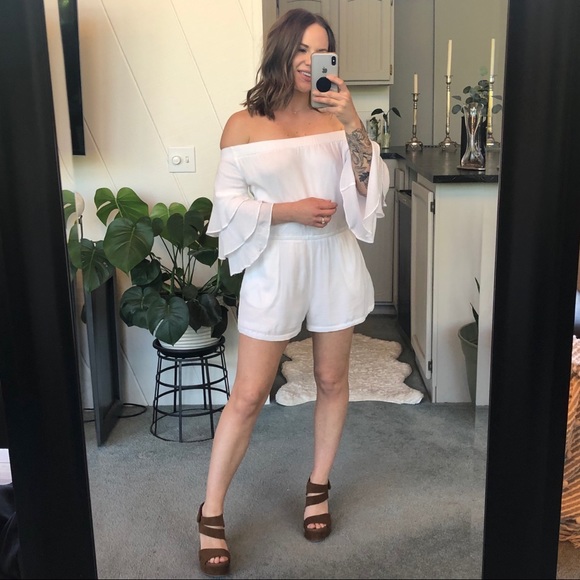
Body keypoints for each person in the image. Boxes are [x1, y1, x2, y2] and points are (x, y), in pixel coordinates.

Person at [198, 8, 390, 576]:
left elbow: (367, 184)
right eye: (302, 49)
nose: (310, 62)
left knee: (331, 380)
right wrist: (289, 211)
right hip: (275, 262)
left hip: (334, 258)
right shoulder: (243, 124)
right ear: (281, 51)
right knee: (248, 394)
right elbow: (226, 208)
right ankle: (211, 511)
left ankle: (318, 486)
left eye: (321, 50)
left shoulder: (339, 117)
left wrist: (352, 119)